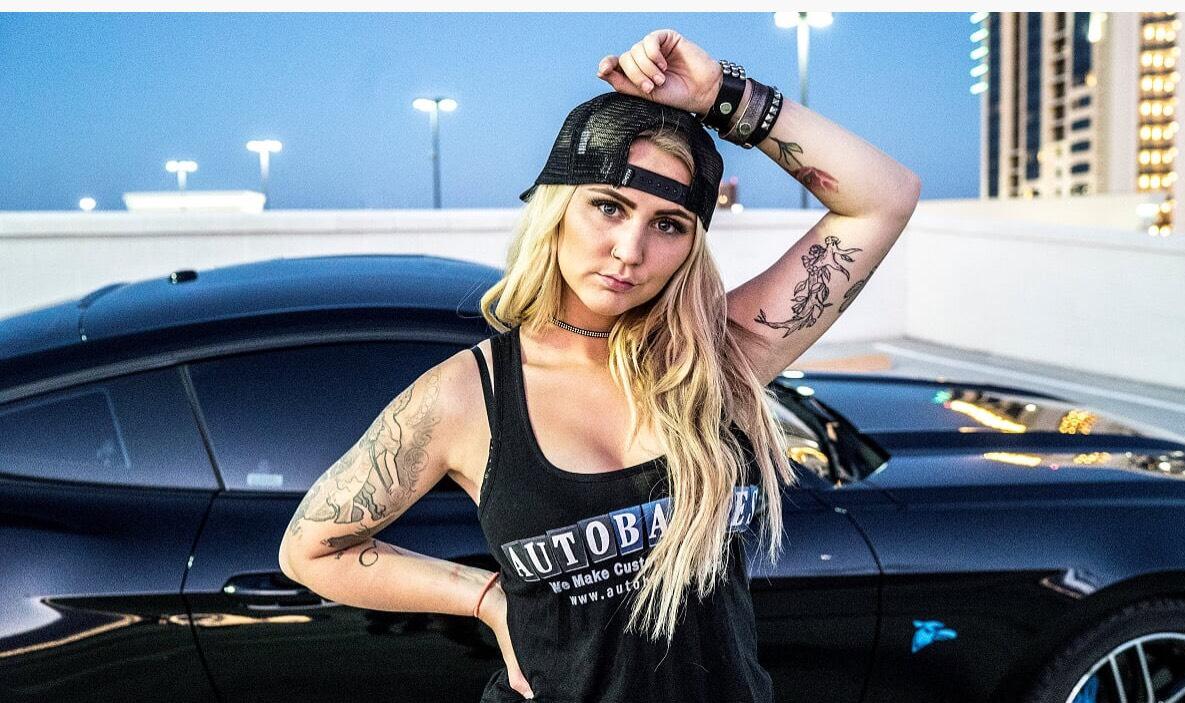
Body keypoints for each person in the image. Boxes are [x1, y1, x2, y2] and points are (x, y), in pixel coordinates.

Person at [278, 28, 921, 703]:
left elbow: (884, 197)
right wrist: (485, 596)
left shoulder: (717, 358)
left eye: (668, 224)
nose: (629, 250)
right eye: (608, 207)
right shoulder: (467, 396)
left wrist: (719, 94)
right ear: (558, 210)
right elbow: (311, 548)